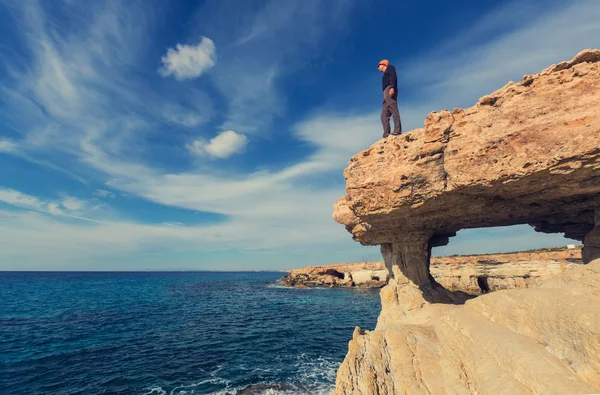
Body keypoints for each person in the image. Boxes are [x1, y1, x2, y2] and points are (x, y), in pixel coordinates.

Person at [378, 59, 402, 138]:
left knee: (393, 108)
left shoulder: (390, 68)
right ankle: (386, 134)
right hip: (385, 92)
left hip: (389, 89)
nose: (378, 68)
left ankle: (397, 130)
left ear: (384, 64)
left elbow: (394, 77)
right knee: (384, 116)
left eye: (379, 65)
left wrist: (392, 87)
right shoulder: (384, 74)